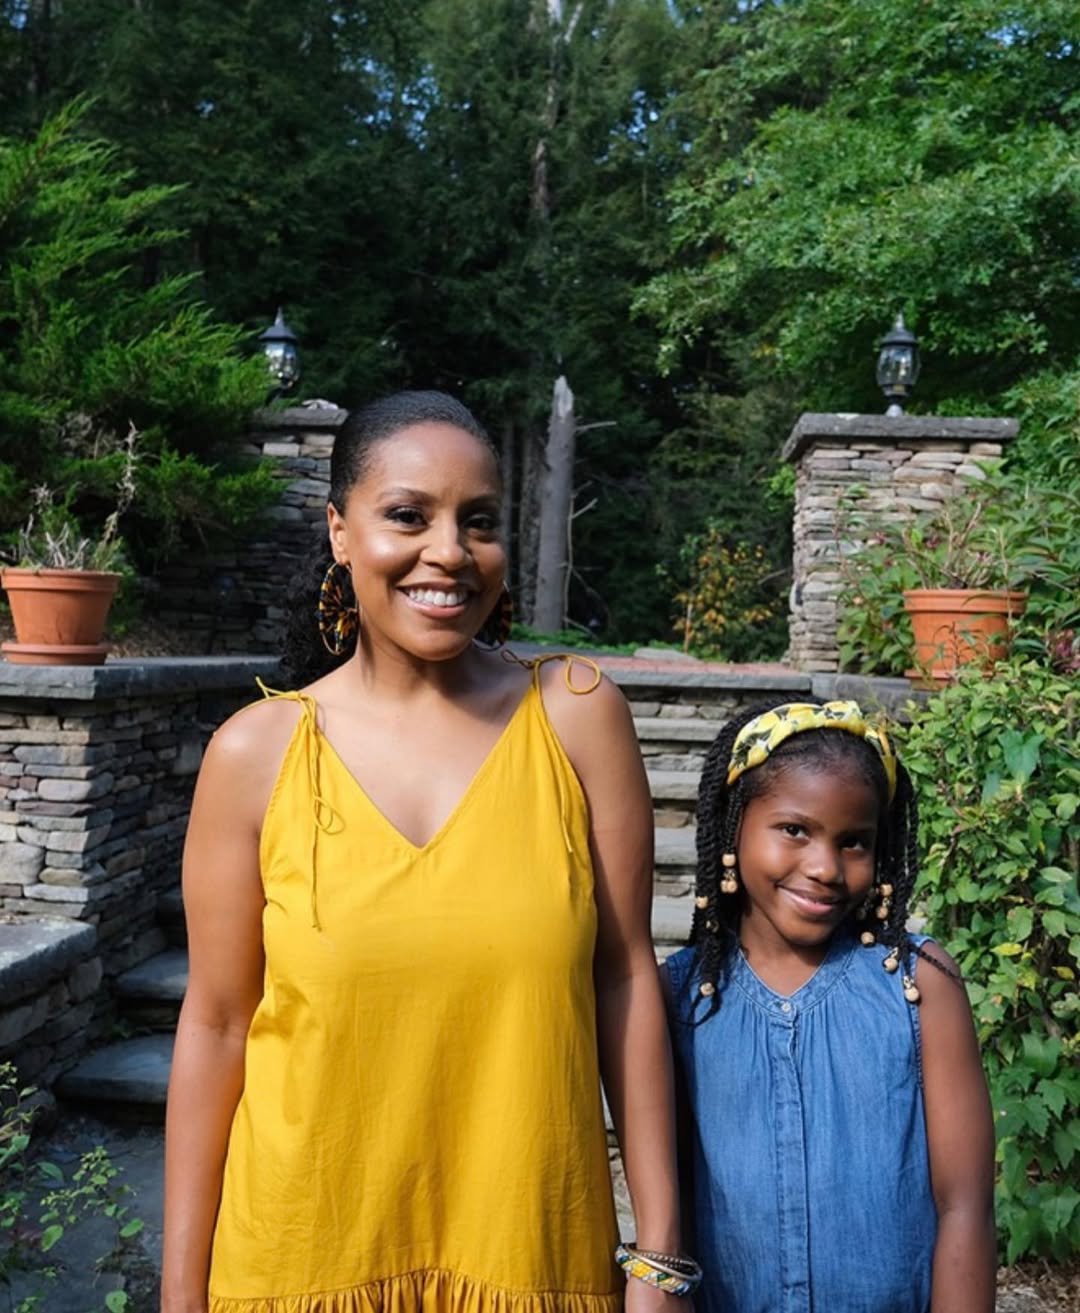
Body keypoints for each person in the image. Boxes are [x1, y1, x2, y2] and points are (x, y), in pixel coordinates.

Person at [161, 390, 694, 1313]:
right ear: (339, 530)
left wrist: (659, 1255)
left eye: (477, 521)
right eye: (408, 515)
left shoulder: (574, 716)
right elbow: (216, 1027)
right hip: (299, 1264)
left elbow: (625, 977)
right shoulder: (256, 754)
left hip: (529, 1258)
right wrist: (180, 1291)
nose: (448, 551)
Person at [663, 701, 997, 1313]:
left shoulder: (919, 989)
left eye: (854, 843)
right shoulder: (683, 1000)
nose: (824, 868)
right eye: (794, 830)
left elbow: (966, 1208)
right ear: (733, 825)